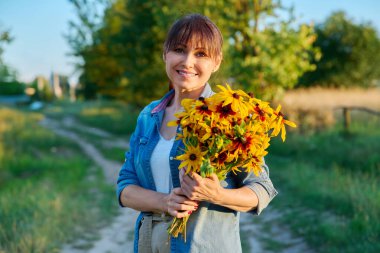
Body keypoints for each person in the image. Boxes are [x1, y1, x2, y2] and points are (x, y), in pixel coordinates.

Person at [117, 13, 277, 253]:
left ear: (217, 62)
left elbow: (262, 189)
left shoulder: (230, 117)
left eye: (201, 54)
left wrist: (217, 194)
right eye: (179, 50)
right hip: (151, 245)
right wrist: (165, 202)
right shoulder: (148, 116)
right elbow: (125, 188)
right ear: (165, 54)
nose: (188, 62)